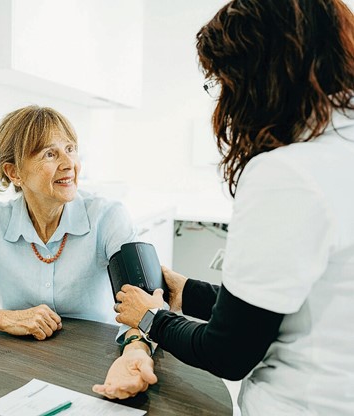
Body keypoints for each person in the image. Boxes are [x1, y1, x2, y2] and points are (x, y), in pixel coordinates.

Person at [93, 0, 354, 414]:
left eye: (223, 81)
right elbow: (274, 306)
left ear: (258, 76)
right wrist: (187, 293)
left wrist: (152, 317)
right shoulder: (338, 149)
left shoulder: (287, 174)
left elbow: (229, 352)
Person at [0, 105, 154, 387]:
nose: (69, 163)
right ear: (14, 172)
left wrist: (134, 352)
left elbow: (147, 305)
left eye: (70, 149)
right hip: (19, 371)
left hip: (99, 366)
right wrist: (3, 319)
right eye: (50, 153)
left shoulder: (108, 217)